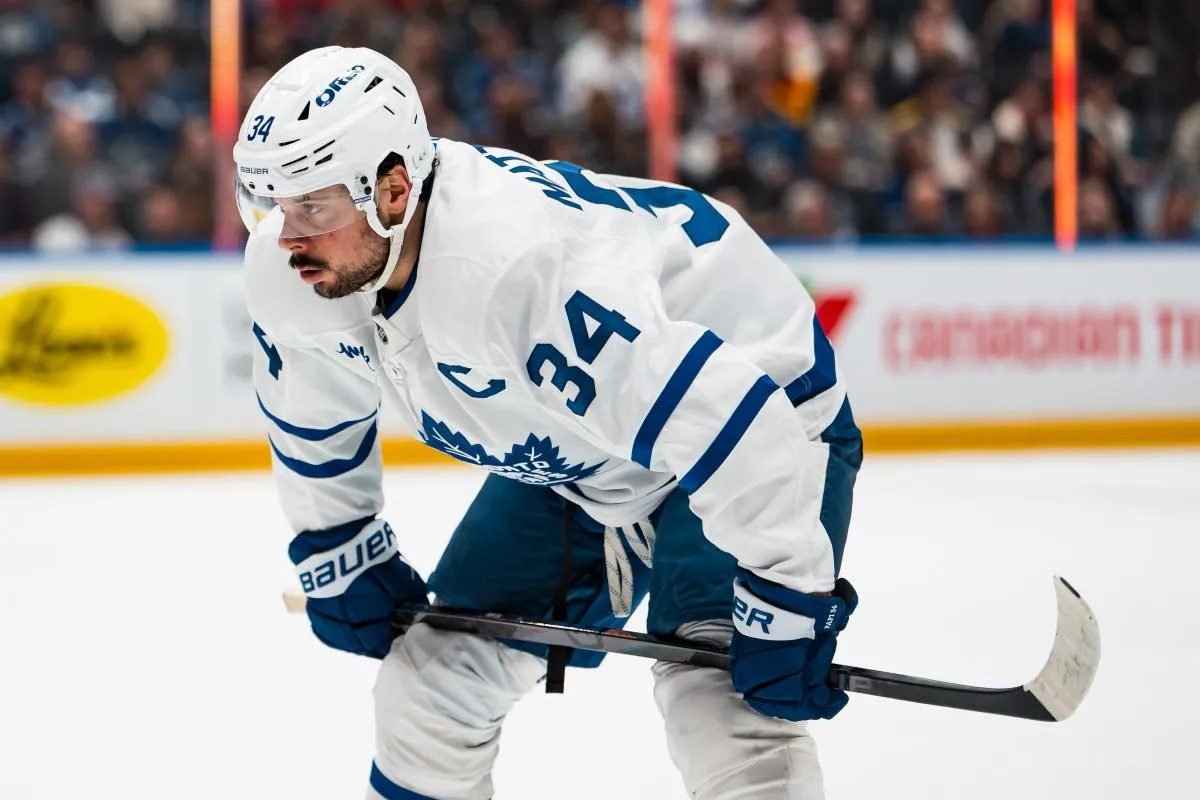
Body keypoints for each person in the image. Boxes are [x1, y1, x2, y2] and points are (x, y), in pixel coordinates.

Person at [235, 46, 862, 800]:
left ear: (394, 190)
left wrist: (788, 595)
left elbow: (734, 422)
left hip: (759, 417)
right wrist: (338, 540)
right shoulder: (298, 267)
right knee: (431, 689)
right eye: (274, 204)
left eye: (312, 207)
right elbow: (312, 413)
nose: (288, 235)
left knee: (723, 708)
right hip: (586, 457)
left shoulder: (515, 273)